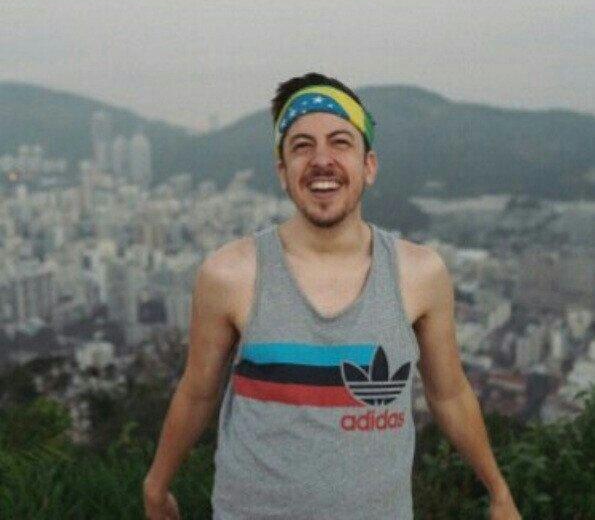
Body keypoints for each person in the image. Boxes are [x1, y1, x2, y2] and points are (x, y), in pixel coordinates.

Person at [143, 73, 521, 519]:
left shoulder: (419, 273)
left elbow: (449, 394)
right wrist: (156, 485)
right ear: (283, 173)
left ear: (369, 166)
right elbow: (198, 393)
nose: (322, 160)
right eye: (302, 146)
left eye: (340, 142)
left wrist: (498, 490)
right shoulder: (231, 273)